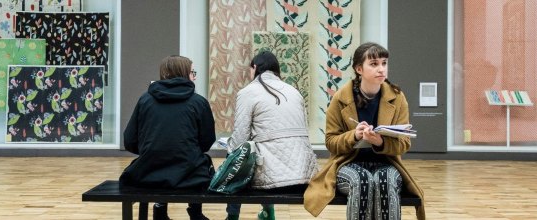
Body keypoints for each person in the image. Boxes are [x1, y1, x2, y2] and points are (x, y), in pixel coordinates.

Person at [303, 42, 425, 220]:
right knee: (362, 181)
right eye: (374, 64)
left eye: (384, 63)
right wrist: (354, 135)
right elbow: (331, 142)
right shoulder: (340, 99)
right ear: (359, 69)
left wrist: (380, 142)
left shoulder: (398, 98)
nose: (381, 69)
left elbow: (404, 144)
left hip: (387, 163)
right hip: (347, 163)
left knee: (386, 180)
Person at [223, 51, 318, 220]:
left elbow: (239, 140)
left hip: (271, 179)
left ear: (255, 68)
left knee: (235, 155)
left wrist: (229, 147)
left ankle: (232, 216)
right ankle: (267, 212)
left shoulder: (248, 92)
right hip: (303, 174)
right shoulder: (294, 91)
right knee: (267, 151)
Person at [120, 55, 215, 220]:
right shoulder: (199, 102)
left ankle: (160, 209)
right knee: (201, 161)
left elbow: (129, 140)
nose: (194, 76)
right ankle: (195, 212)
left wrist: (150, 150)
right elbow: (207, 140)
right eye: (193, 72)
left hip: (147, 174)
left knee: (160, 159)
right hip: (190, 176)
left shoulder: (145, 100)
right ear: (184, 73)